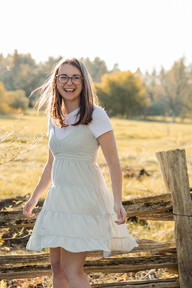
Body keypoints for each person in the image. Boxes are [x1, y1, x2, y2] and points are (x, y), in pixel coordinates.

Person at [23, 58, 138, 288]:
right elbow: (51, 163)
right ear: (56, 81)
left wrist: (117, 202)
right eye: (63, 77)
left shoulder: (96, 115)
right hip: (59, 200)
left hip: (83, 199)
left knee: (71, 269)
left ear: (84, 82)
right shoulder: (53, 117)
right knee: (57, 269)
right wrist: (35, 197)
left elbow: (114, 163)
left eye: (75, 77)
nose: (69, 82)